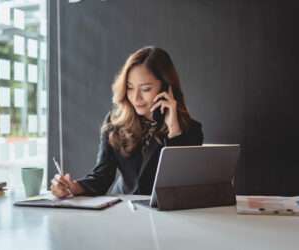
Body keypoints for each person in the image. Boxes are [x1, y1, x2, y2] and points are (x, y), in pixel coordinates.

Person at [51, 46, 203, 197]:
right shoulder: (114, 123)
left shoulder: (190, 129)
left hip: (163, 215)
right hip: (123, 210)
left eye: (145, 89)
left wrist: (173, 132)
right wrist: (73, 187)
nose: (135, 98)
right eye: (130, 88)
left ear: (166, 87)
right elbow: (102, 176)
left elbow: (182, 187)